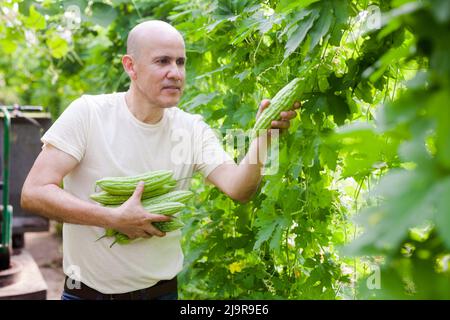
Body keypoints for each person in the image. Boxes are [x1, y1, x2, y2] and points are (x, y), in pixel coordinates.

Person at [20, 20, 299, 300]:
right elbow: (34, 192)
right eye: (162, 61)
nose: (175, 73)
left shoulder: (191, 129)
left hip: (162, 294)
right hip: (87, 294)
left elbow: (239, 188)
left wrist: (265, 135)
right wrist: (114, 218)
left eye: (180, 62)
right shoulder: (89, 114)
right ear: (131, 66)